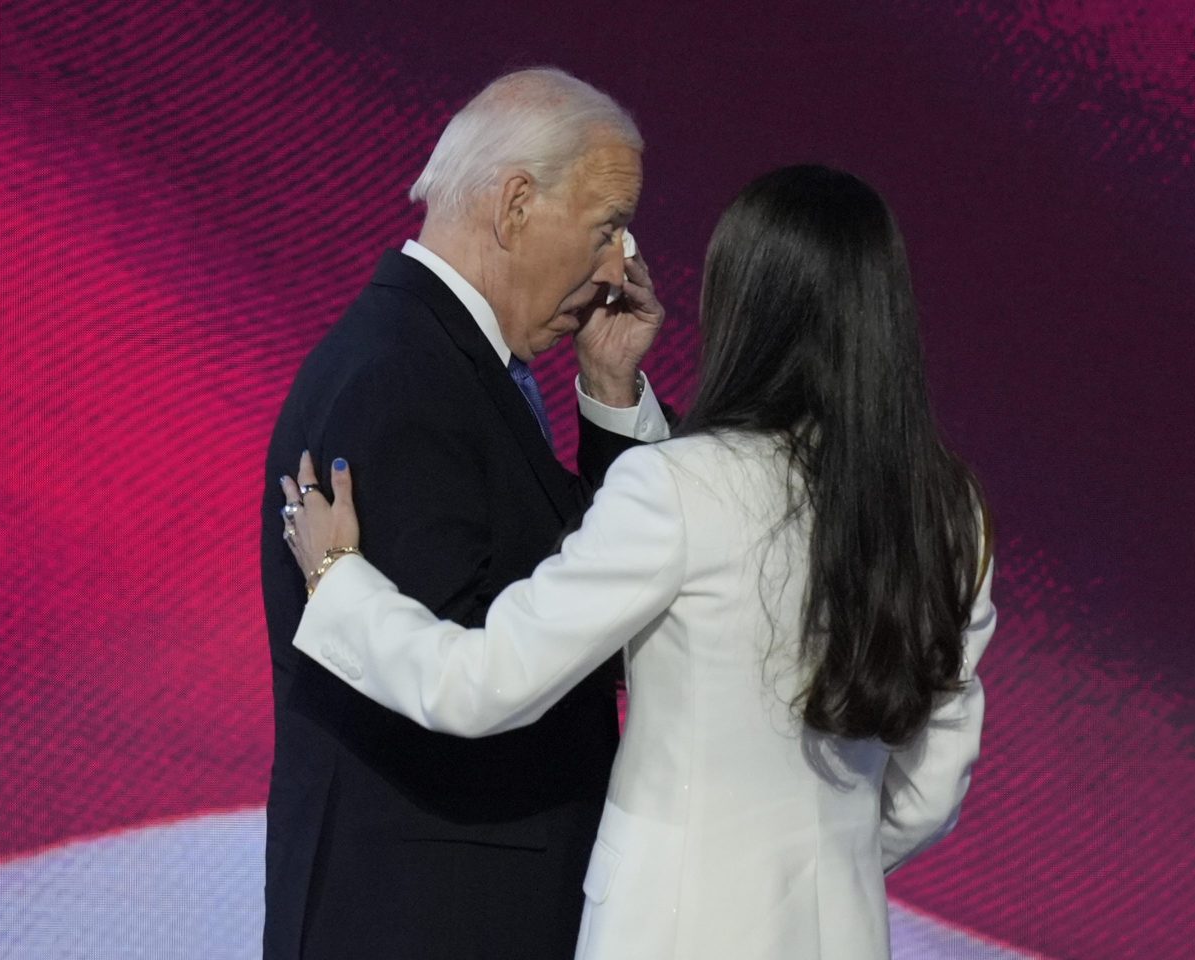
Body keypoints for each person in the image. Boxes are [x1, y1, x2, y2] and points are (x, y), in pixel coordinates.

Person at [275, 165, 997, 959]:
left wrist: (338, 580)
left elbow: (482, 683)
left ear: (743, 307)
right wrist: (820, 866)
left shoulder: (678, 486)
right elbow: (929, 792)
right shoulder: (949, 512)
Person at [260, 68, 671, 960]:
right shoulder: (399, 378)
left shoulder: (454, 366)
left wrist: (610, 394)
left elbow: (592, 586)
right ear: (516, 205)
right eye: (607, 229)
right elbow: (481, 662)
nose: (619, 270)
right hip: (429, 919)